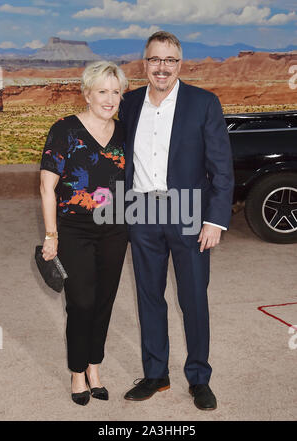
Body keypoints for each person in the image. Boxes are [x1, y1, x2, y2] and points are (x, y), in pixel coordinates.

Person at [119, 31, 234, 410]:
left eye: (169, 60)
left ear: (180, 64)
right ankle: (156, 374)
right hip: (141, 210)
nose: (162, 67)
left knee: (193, 298)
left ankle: (199, 377)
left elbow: (221, 168)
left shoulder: (203, 103)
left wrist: (215, 220)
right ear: (144, 64)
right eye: (155, 60)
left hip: (187, 210)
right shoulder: (131, 102)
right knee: (149, 297)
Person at [40, 61, 128, 406]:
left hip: (116, 229)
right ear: (87, 94)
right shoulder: (64, 130)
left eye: (116, 92)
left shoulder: (123, 132)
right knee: (81, 302)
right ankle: (77, 371)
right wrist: (51, 235)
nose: (109, 99)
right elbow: (48, 187)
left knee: (104, 300)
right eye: (102, 91)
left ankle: (94, 366)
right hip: (73, 228)